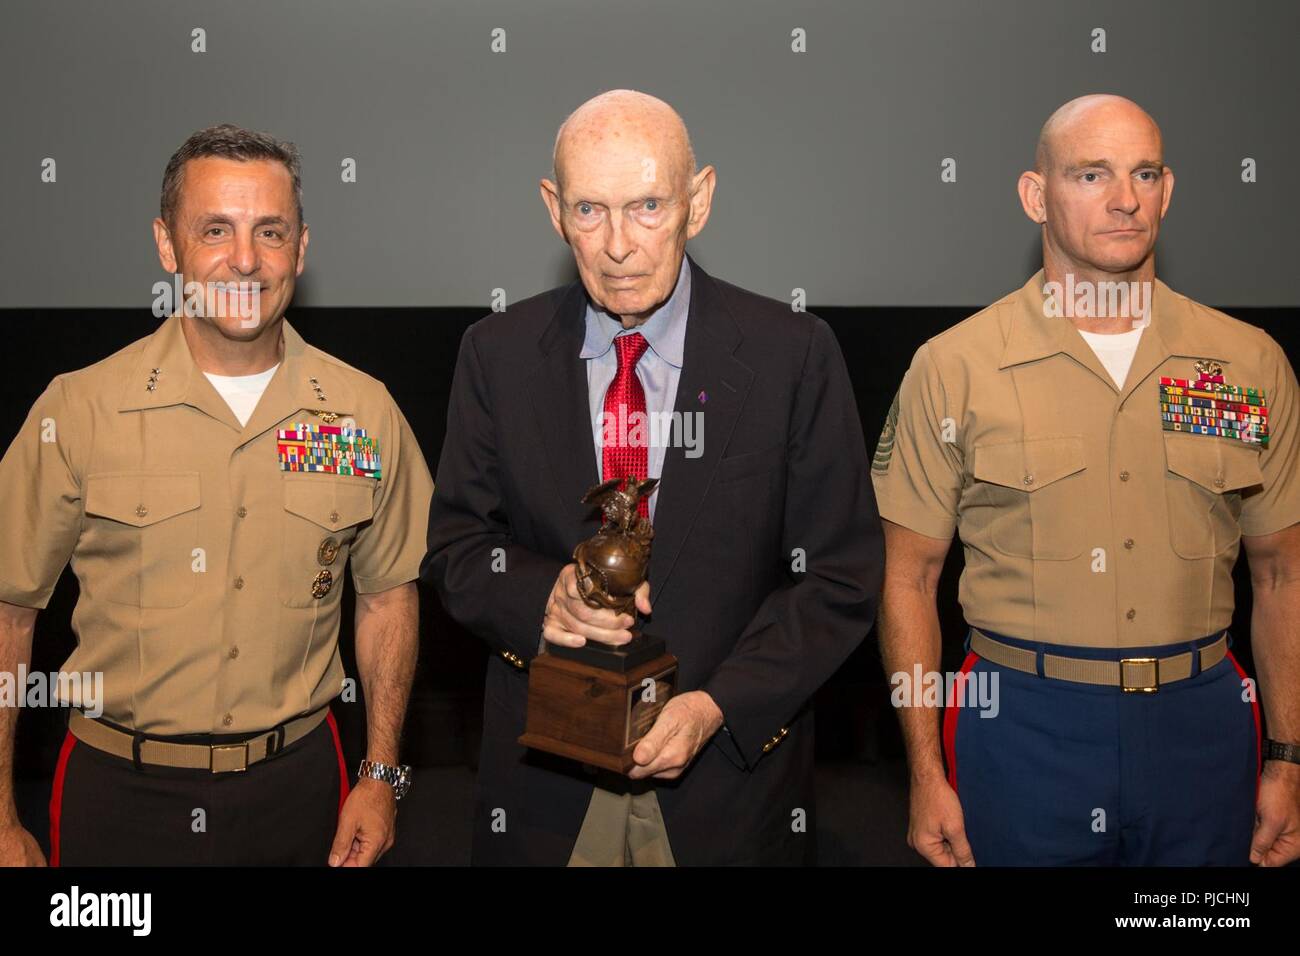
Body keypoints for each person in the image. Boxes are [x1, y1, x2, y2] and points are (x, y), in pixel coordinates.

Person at [423, 90, 883, 865]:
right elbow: (458, 550)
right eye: (590, 211)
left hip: (730, 797)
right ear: (553, 209)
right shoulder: (495, 354)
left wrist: (718, 708)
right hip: (544, 794)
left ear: (698, 201)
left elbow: (838, 578)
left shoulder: (792, 355)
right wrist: (547, 597)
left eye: (646, 207)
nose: (617, 246)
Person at [873, 94, 1300, 866]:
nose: (1125, 198)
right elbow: (908, 580)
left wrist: (1288, 759)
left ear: (1167, 191)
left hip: (1203, 729)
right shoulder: (955, 367)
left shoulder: (1245, 364)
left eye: (1144, 173)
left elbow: (1281, 577)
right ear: (1036, 196)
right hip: (1022, 729)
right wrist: (925, 772)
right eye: (1091, 174)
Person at [0, 125, 434, 866]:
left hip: (302, 795)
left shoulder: (364, 415)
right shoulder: (76, 412)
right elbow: (8, 615)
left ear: (301, 248)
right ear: (168, 248)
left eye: (271, 231)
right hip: (118, 800)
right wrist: (2, 819)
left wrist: (382, 773)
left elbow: (388, 598)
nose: (244, 259)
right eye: (215, 230)